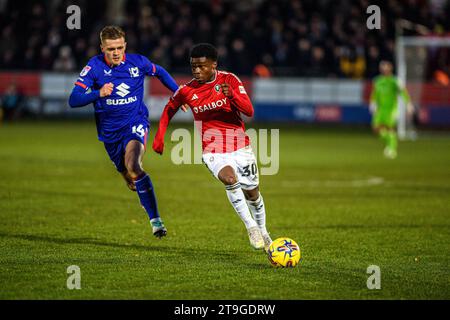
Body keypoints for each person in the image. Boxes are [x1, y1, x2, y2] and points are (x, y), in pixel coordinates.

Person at [152, 43, 272, 251]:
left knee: (252, 194)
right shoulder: (187, 90)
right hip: (213, 148)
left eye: (202, 66)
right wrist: (159, 136)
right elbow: (169, 109)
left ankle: (264, 231)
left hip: (240, 146)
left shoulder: (229, 80)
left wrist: (232, 96)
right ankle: (251, 227)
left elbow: (249, 111)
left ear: (214, 65)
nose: (197, 71)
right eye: (193, 67)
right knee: (229, 179)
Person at [68, 26, 179, 238]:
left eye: (119, 47)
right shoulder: (94, 67)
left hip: (135, 123)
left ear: (125, 46)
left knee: (135, 166)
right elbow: (73, 100)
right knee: (129, 176)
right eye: (111, 49)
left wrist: (177, 92)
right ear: (102, 48)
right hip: (109, 133)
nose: (116, 52)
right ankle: (125, 174)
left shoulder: (137, 62)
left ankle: (156, 221)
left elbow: (160, 72)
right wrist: (98, 93)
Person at [369, 61, 414, 159]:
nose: (384, 69)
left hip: (391, 109)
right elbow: (374, 93)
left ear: (390, 69)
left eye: (386, 67)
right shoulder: (377, 81)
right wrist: (372, 103)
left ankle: (392, 149)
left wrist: (408, 104)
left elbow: (403, 92)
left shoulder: (395, 81)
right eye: (382, 67)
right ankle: (389, 143)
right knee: (376, 128)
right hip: (380, 109)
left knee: (389, 128)